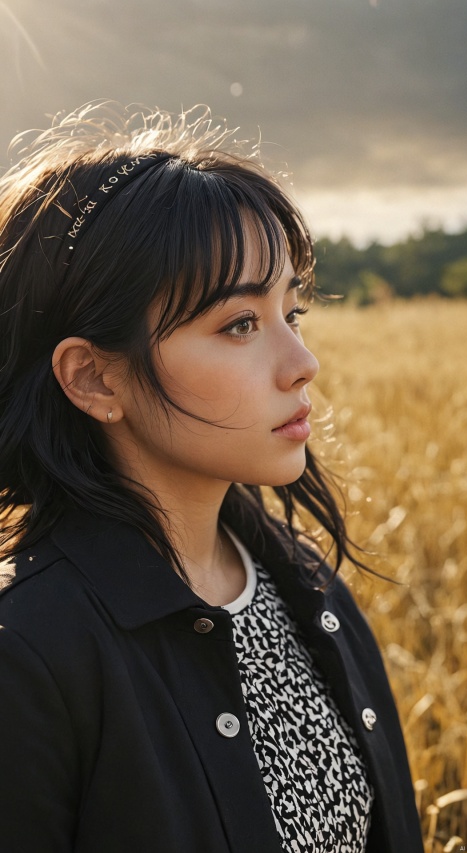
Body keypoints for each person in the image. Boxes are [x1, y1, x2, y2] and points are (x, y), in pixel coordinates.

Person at [0, 103, 423, 853]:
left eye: (293, 312)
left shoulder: (303, 584)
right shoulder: (29, 652)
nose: (302, 364)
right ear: (94, 378)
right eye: (239, 324)